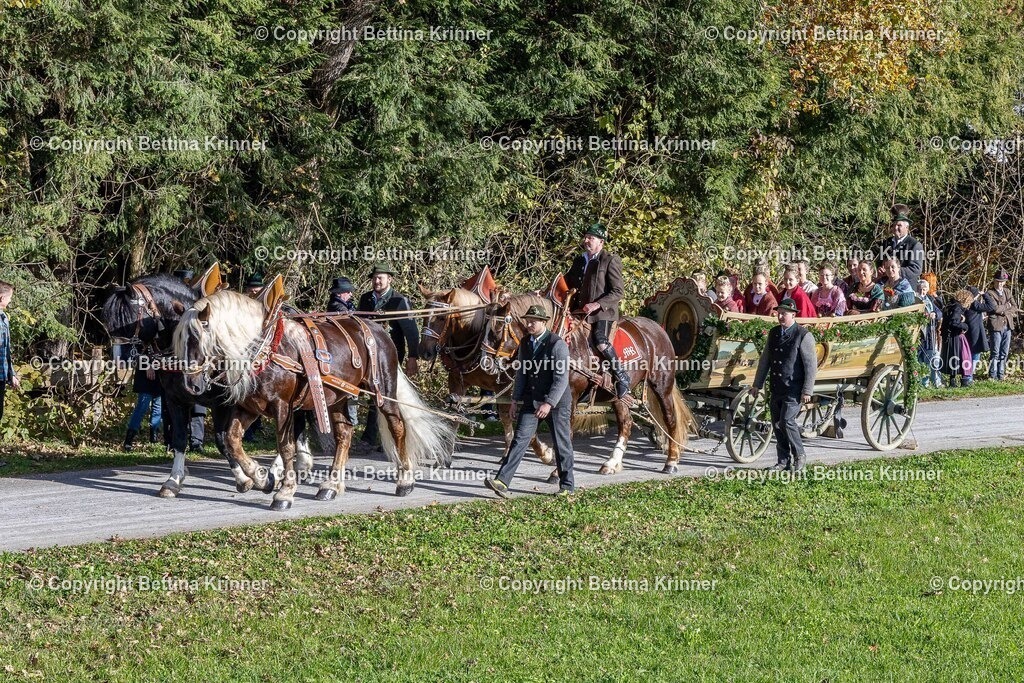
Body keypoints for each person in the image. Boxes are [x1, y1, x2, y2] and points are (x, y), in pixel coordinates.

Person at [484, 305, 575, 497]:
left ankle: (567, 486)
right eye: (528, 321)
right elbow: (522, 374)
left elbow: (561, 379)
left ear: (543, 322)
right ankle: (502, 481)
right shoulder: (525, 343)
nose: (529, 324)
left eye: (533, 321)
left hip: (556, 404)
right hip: (531, 401)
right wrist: (515, 400)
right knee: (519, 439)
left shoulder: (557, 344)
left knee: (561, 443)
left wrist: (549, 403)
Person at [564, 222, 630, 400]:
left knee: (600, 341)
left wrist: (597, 304)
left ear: (601, 242)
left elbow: (618, 292)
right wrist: (546, 290)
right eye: (585, 237)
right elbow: (566, 282)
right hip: (579, 312)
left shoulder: (610, 260)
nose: (586, 240)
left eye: (591, 238)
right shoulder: (579, 261)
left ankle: (622, 377)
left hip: (603, 313)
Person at [751, 298, 817, 472]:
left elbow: (811, 366)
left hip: (794, 389)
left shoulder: (803, 335)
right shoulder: (774, 333)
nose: (780, 316)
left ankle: (800, 456)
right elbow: (765, 360)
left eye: (784, 314)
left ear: (793, 315)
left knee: (787, 421)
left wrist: (807, 390)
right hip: (777, 386)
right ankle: (783, 461)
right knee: (777, 424)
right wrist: (757, 384)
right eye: (778, 313)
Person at [357, 263, 420, 446]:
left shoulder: (399, 301)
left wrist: (413, 357)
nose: (377, 281)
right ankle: (373, 437)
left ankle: (378, 437)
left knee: (384, 393)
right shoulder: (366, 299)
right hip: (368, 355)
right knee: (373, 393)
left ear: (389, 279)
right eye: (374, 278)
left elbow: (411, 332)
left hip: (389, 357)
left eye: (380, 278)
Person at [122, 343, 163, 451]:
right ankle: (128, 440)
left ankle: (154, 440)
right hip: (145, 375)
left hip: (160, 374)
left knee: (158, 407)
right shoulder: (141, 336)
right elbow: (134, 352)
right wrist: (147, 365)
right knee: (141, 408)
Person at [877, 204, 925, 285]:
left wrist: (895, 271)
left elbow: (916, 269)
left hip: (906, 287)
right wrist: (880, 269)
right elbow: (880, 262)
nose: (896, 228)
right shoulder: (886, 243)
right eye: (894, 225)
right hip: (886, 285)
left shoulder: (915, 245)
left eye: (899, 225)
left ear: (907, 228)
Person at [986, 268, 1018, 381]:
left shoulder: (1007, 291)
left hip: (1008, 325)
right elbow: (994, 308)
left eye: (1002, 282)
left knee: (1004, 352)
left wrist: (1004, 310)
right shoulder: (989, 293)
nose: (1000, 284)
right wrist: (1007, 307)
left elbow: (1015, 306)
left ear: (1004, 282)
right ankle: (992, 375)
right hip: (996, 325)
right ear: (994, 281)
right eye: (998, 281)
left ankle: (1001, 374)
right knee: (995, 352)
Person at [940, 290, 973, 387]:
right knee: (961, 357)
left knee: (953, 358)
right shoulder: (957, 307)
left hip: (948, 336)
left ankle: (952, 381)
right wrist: (965, 326)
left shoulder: (950, 305)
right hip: (955, 336)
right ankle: (963, 381)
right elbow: (954, 322)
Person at [0, 281, 21, 430]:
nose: (10, 300)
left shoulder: (4, 318)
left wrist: (11, 374)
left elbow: (6, 349)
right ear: (2, 298)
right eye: (10, 297)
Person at [963, 286, 994, 385]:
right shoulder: (974, 304)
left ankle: (967, 377)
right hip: (975, 334)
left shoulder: (963, 304)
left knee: (968, 356)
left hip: (967, 333)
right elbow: (991, 306)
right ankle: (968, 378)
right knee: (975, 357)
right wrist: (984, 295)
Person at [917, 279, 943, 388]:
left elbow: (939, 312)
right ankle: (923, 383)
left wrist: (934, 314)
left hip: (930, 333)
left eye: (924, 289)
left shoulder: (929, 299)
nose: (922, 291)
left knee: (933, 357)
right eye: (920, 289)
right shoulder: (915, 299)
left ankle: (936, 381)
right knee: (920, 359)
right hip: (919, 333)